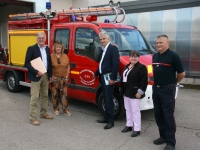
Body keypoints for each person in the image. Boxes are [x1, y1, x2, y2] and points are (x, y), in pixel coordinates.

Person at [152, 35, 185, 150]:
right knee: (158, 115)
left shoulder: (173, 56)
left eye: (161, 42)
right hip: (156, 89)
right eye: (157, 43)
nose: (158, 45)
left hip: (167, 89)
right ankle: (163, 137)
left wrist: (173, 83)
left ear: (167, 43)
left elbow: (181, 73)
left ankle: (171, 142)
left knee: (168, 116)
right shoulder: (155, 56)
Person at [24, 32, 53, 126]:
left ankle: (43, 113)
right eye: (39, 38)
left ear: (45, 39)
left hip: (45, 75)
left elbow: (49, 63)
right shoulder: (31, 48)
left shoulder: (47, 49)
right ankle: (32, 118)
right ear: (37, 39)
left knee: (45, 95)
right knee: (35, 97)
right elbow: (27, 63)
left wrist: (50, 75)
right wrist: (36, 72)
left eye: (42, 38)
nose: (41, 39)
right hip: (36, 76)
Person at [95, 31, 120, 129]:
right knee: (105, 99)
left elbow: (116, 64)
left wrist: (113, 78)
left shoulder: (113, 48)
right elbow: (102, 65)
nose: (102, 41)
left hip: (109, 78)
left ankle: (110, 121)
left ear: (108, 39)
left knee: (109, 99)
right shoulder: (104, 49)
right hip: (103, 77)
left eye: (104, 39)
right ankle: (106, 117)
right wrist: (96, 73)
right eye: (100, 39)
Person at [120, 50, 148, 137]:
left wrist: (140, 92)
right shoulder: (126, 66)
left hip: (135, 93)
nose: (133, 58)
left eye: (135, 56)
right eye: (132, 56)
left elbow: (144, 82)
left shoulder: (142, 67)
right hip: (126, 92)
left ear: (138, 57)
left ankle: (137, 129)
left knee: (135, 111)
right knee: (128, 110)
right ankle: (129, 126)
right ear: (129, 57)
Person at [50, 42, 71, 116]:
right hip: (54, 78)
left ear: (62, 48)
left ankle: (65, 109)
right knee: (54, 95)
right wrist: (51, 76)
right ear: (54, 48)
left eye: (60, 47)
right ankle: (56, 109)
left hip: (64, 79)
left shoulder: (65, 56)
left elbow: (68, 66)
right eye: (57, 47)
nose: (58, 48)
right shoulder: (51, 56)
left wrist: (67, 75)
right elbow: (48, 68)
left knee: (64, 95)